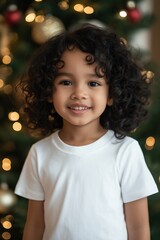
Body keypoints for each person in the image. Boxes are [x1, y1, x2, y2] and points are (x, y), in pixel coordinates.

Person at [15, 23, 158, 240]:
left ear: (112, 93)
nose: (79, 93)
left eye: (93, 83)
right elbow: (35, 226)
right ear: (48, 90)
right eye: (66, 82)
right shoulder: (40, 153)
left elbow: (138, 228)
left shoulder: (126, 151)